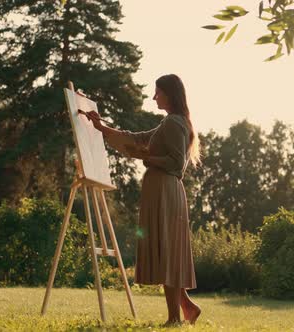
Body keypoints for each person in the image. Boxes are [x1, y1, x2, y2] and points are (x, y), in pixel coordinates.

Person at [84, 74, 201, 326]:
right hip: (161, 192)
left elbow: (177, 163)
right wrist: (102, 128)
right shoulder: (169, 122)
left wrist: (148, 159)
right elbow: (137, 138)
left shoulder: (175, 123)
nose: (154, 97)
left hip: (166, 192)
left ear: (170, 94)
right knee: (164, 250)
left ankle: (174, 319)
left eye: (157, 92)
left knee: (166, 252)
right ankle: (188, 308)